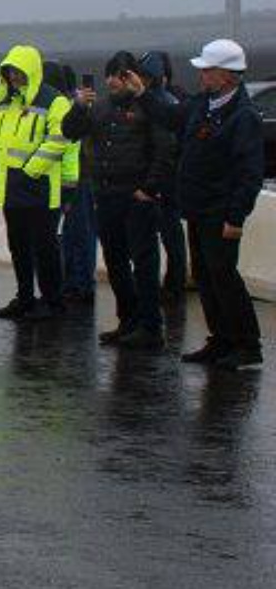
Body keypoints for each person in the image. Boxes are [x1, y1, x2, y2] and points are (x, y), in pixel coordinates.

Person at [175, 40, 264, 371]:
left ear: (227, 75)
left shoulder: (243, 117)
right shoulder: (205, 106)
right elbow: (174, 118)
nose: (202, 75)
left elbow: (249, 173)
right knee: (205, 276)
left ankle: (247, 344)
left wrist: (235, 215)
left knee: (224, 276)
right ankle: (222, 339)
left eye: (208, 70)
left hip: (221, 213)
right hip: (199, 209)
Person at [85, 52, 176, 350]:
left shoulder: (150, 107)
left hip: (137, 196)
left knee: (144, 262)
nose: (113, 80)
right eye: (110, 74)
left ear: (134, 78)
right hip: (106, 193)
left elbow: (165, 150)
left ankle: (151, 325)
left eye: (121, 75)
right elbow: (71, 132)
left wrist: (149, 189)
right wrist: (76, 107)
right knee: (115, 261)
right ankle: (128, 320)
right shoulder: (99, 107)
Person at [0, 45, 83, 321]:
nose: (14, 77)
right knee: (17, 245)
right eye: (9, 72)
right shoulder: (3, 100)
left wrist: (32, 170)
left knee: (45, 247)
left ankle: (52, 300)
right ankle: (25, 297)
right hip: (9, 186)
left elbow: (59, 139)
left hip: (39, 186)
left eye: (18, 71)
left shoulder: (54, 101)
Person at [136, 50, 189, 296]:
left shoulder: (159, 103)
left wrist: (152, 183)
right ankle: (172, 283)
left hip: (163, 179)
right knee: (170, 233)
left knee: (170, 233)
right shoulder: (168, 100)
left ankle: (173, 285)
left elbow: (166, 147)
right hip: (167, 177)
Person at [46, 61, 97, 301]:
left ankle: (80, 285)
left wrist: (68, 185)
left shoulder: (68, 108)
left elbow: (70, 148)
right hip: (76, 178)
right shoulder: (71, 106)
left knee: (78, 234)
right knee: (72, 234)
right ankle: (74, 282)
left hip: (76, 180)